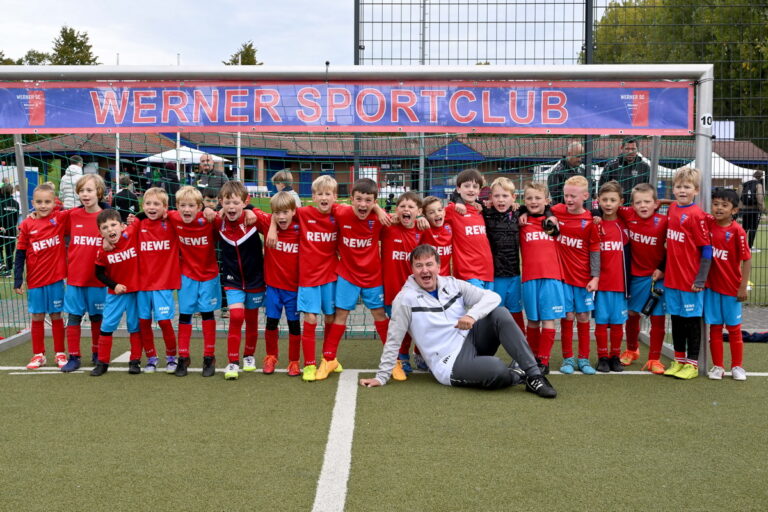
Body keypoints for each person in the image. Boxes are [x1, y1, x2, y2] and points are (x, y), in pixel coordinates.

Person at [359, 244, 556, 398]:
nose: (424, 270)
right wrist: (381, 376)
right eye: (419, 266)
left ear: (438, 266)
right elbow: (394, 339)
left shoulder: (453, 284)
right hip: (449, 362)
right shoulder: (404, 299)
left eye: (429, 264)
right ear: (412, 269)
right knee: (497, 369)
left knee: (500, 313)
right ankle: (515, 374)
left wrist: (472, 315)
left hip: (470, 340)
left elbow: (492, 297)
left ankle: (534, 376)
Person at [269, 175, 339, 382]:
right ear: (313, 197)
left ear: (335, 197)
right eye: (319, 194)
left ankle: (329, 358)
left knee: (330, 318)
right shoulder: (303, 213)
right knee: (310, 319)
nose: (324, 197)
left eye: (328, 194)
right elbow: (279, 212)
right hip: (308, 278)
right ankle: (309, 364)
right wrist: (272, 228)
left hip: (330, 276)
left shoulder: (340, 214)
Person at [320, 178, 391, 381]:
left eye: (368, 200)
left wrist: (378, 210)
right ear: (351, 199)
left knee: (379, 314)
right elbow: (324, 206)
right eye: (358, 199)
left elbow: (407, 218)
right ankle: (329, 359)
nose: (362, 204)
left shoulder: (381, 219)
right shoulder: (341, 212)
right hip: (347, 274)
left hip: (373, 276)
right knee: (340, 315)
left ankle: (392, 361)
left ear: (375, 201)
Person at [663, 167, 712, 380]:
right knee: (676, 320)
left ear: (696, 190)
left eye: (687, 187)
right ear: (673, 189)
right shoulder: (672, 209)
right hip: (672, 279)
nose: (682, 190)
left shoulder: (697, 215)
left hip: (691, 280)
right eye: (678, 186)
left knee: (691, 321)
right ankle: (679, 359)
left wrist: (700, 279)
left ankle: (692, 364)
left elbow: (707, 250)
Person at [167, 186, 221, 377]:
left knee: (207, 315)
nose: (187, 210)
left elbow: (229, 218)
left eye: (191, 206)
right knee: (185, 315)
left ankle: (209, 356)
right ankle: (183, 357)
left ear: (199, 206)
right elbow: (150, 214)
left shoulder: (208, 219)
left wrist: (211, 210)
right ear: (176, 206)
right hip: (187, 275)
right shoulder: (173, 217)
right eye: (183, 205)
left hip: (209, 275)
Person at [615, 183, 668, 374]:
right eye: (638, 202)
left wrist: (662, 268)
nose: (643, 206)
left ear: (656, 204)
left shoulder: (664, 220)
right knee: (631, 315)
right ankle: (631, 349)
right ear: (632, 205)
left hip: (656, 276)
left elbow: (674, 247)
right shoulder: (628, 214)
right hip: (633, 277)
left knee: (658, 318)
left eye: (647, 202)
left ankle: (654, 359)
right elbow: (605, 204)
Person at [13, 183, 67, 370]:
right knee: (37, 316)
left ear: (54, 203)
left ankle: (60, 353)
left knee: (56, 315)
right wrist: (18, 279)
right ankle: (38, 355)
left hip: (55, 279)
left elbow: (80, 210)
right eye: (39, 202)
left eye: (47, 202)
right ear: (32, 203)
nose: (43, 205)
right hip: (35, 280)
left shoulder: (59, 219)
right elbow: (20, 253)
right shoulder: (27, 224)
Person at [215, 181, 266, 380]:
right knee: (236, 316)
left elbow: (279, 220)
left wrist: (253, 210)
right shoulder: (217, 221)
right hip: (232, 279)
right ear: (221, 202)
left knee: (252, 319)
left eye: (236, 202)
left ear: (245, 202)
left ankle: (249, 355)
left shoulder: (254, 220)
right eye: (227, 202)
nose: (231, 207)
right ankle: (232, 361)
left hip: (255, 279)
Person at [550, 176, 600, 375]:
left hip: (584, 278)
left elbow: (595, 249)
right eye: (566, 195)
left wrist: (595, 277)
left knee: (583, 316)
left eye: (573, 196)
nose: (569, 199)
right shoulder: (557, 211)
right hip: (562, 277)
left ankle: (584, 358)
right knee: (568, 316)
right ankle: (568, 358)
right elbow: (541, 209)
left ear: (586, 196)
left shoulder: (590, 220)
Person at [59, 174, 109, 372]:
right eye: (81, 191)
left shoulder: (107, 216)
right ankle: (74, 356)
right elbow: (54, 222)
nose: (84, 194)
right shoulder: (72, 215)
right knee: (73, 317)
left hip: (98, 279)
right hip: (75, 279)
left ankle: (97, 353)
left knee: (97, 317)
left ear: (99, 192)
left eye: (89, 190)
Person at [254, 192, 302, 377]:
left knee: (294, 325)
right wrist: (272, 225)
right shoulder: (267, 223)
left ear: (293, 211)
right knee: (271, 323)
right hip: (273, 287)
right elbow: (251, 210)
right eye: (277, 213)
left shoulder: (301, 225)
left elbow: (310, 213)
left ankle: (294, 361)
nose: (282, 217)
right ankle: (271, 357)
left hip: (294, 288)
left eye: (286, 212)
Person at [705, 188, 751, 381]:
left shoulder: (737, 232)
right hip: (711, 288)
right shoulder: (707, 224)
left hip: (732, 289)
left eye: (724, 205)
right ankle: (718, 366)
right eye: (716, 204)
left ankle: (737, 366)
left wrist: (742, 287)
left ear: (734, 210)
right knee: (715, 327)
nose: (719, 208)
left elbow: (747, 260)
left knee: (734, 329)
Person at [90, 209, 143, 376]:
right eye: (105, 228)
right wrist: (114, 285)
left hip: (135, 292)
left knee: (135, 327)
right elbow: (98, 273)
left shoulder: (130, 233)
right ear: (100, 232)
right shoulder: (102, 251)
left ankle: (135, 361)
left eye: (113, 225)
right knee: (106, 327)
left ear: (122, 226)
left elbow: (142, 215)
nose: (110, 230)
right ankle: (102, 362)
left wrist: (134, 218)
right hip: (116, 294)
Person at [519, 182, 564, 374]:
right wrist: (521, 210)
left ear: (547, 201)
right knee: (533, 320)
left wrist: (549, 214)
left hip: (552, 277)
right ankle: (533, 357)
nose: (533, 201)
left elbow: (577, 208)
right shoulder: (521, 221)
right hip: (529, 278)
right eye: (529, 198)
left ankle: (544, 360)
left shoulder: (554, 220)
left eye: (538, 198)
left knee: (548, 320)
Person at [134, 187, 180, 373]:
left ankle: (171, 357)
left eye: (156, 204)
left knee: (164, 322)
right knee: (143, 322)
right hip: (142, 284)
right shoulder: (138, 224)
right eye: (148, 204)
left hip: (163, 284)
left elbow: (184, 216)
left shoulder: (171, 224)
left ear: (165, 207)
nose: (151, 207)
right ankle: (151, 358)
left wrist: (169, 214)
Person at [381, 191, 423, 379]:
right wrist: (389, 216)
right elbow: (374, 216)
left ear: (419, 211)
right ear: (397, 210)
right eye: (402, 206)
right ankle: (400, 357)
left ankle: (417, 354)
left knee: (415, 324)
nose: (406, 210)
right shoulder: (389, 227)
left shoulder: (422, 230)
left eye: (411, 207)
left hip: (414, 290)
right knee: (397, 326)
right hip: (391, 287)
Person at [592, 181, 630, 373]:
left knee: (617, 322)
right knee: (600, 321)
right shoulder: (595, 224)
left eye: (612, 200)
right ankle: (602, 357)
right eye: (604, 199)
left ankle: (615, 356)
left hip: (620, 284)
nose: (608, 203)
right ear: (598, 200)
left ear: (620, 202)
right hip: (600, 285)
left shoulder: (624, 224)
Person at [444, 168, 494, 288]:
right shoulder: (453, 209)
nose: (471, 189)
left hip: (487, 271)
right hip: (467, 273)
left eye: (475, 186)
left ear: (479, 190)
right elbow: (433, 213)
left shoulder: (481, 210)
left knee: (489, 306)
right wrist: (420, 217)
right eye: (467, 186)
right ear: (458, 188)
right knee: (477, 306)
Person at [599, 138, 651, 204]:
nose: (630, 152)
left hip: (636, 206)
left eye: (633, 149)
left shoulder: (644, 167)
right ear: (622, 148)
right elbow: (602, 188)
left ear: (637, 149)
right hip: (616, 207)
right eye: (627, 149)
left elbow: (648, 190)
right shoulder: (611, 166)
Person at [740, 170, 764, 252]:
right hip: (754, 210)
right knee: (753, 228)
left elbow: (740, 196)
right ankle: (750, 246)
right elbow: (760, 198)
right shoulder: (758, 184)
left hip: (745, 209)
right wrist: (762, 208)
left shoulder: (745, 184)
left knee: (744, 228)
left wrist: (740, 208)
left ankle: (741, 245)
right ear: (760, 177)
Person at [0, 183, 19, 277]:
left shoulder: (1, 202)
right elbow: (16, 218)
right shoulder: (16, 203)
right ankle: (8, 270)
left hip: (1, 230)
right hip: (11, 230)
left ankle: (2, 263)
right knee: (10, 251)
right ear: (12, 191)